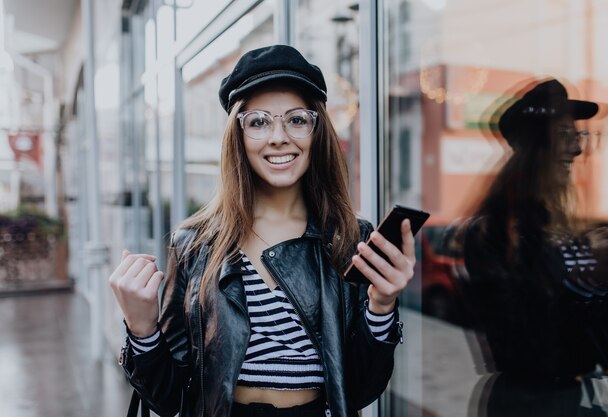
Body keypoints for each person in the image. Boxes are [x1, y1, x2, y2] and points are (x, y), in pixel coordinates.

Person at [109, 44, 416, 417]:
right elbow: (169, 399)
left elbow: (361, 388)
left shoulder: (350, 238)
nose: (278, 137)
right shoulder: (195, 244)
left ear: (316, 130)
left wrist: (382, 306)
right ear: (236, 136)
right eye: (258, 121)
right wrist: (142, 328)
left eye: (296, 120)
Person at [460, 79, 608, 416]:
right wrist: (590, 273)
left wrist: (601, 276)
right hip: (530, 405)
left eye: (579, 135)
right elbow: (523, 341)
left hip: (571, 397)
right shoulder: (494, 232)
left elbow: (591, 333)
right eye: (565, 134)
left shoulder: (555, 227)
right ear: (538, 145)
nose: (578, 149)